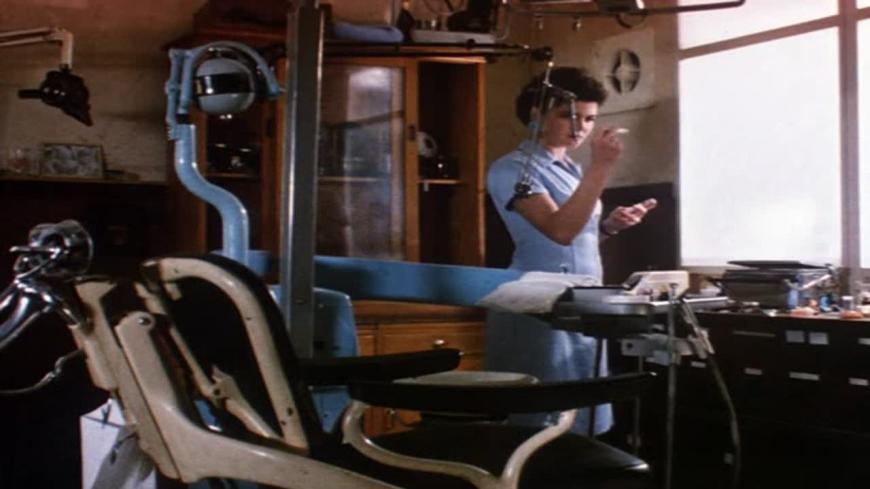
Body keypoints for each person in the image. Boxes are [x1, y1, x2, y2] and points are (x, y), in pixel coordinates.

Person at [485, 67, 657, 435]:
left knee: (584, 419)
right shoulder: (512, 169)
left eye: (590, 119)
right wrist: (602, 166)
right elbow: (560, 231)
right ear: (537, 114)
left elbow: (574, 240)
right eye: (569, 116)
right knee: (540, 423)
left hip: (582, 302)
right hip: (538, 305)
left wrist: (608, 227)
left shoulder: (570, 170)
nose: (580, 129)